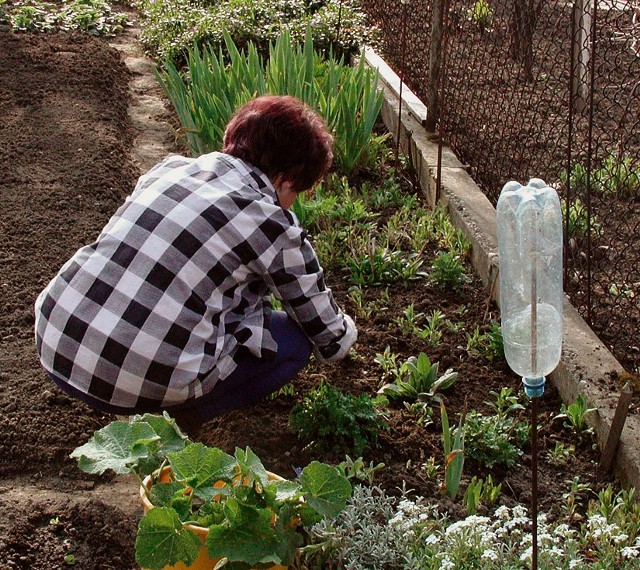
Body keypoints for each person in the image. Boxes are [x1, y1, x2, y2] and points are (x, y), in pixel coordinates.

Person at [34, 95, 357, 436]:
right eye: (299, 191)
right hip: (134, 380)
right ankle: (179, 420)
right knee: (292, 342)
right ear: (287, 178)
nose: (294, 202)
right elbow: (328, 337)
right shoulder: (270, 221)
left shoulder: (169, 170)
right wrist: (348, 334)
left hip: (57, 340)